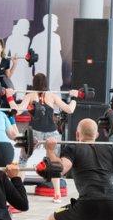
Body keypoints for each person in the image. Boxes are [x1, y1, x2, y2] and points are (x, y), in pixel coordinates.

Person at [11, 73, 78, 203]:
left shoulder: (30, 95)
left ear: (34, 83)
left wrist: (9, 96)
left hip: (35, 132)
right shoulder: (52, 96)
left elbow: (17, 111)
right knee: (54, 163)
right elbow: (70, 109)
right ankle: (57, 194)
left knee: (23, 161)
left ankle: (17, 191)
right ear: (46, 83)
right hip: (51, 133)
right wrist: (74, 97)